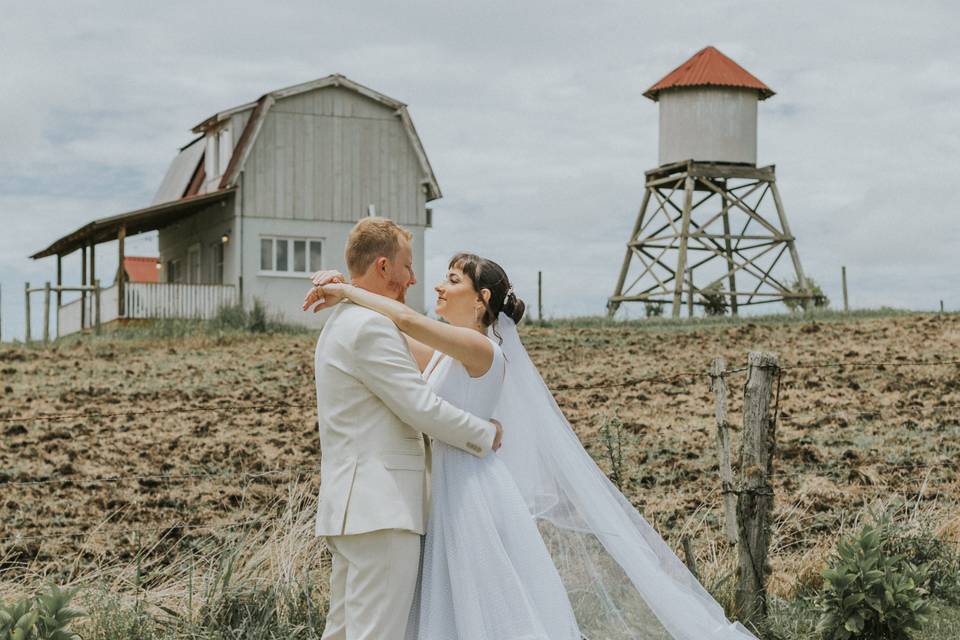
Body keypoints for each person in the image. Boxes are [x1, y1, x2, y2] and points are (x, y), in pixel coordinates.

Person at [307, 245, 761, 640]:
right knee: (450, 606)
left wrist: (346, 290)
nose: (438, 288)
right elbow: (395, 335)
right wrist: (339, 282)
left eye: (451, 280)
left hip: (470, 492)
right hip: (444, 488)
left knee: (483, 607)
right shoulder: (450, 350)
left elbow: (403, 318)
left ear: (481, 298)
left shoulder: (481, 348)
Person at [310, 218, 503, 640]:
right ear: (383, 267)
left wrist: (343, 286)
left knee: (343, 633)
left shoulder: (344, 322)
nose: (414, 279)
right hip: (382, 510)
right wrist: (484, 433)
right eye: (408, 267)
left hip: (353, 511)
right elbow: (420, 407)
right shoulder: (370, 326)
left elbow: (429, 353)